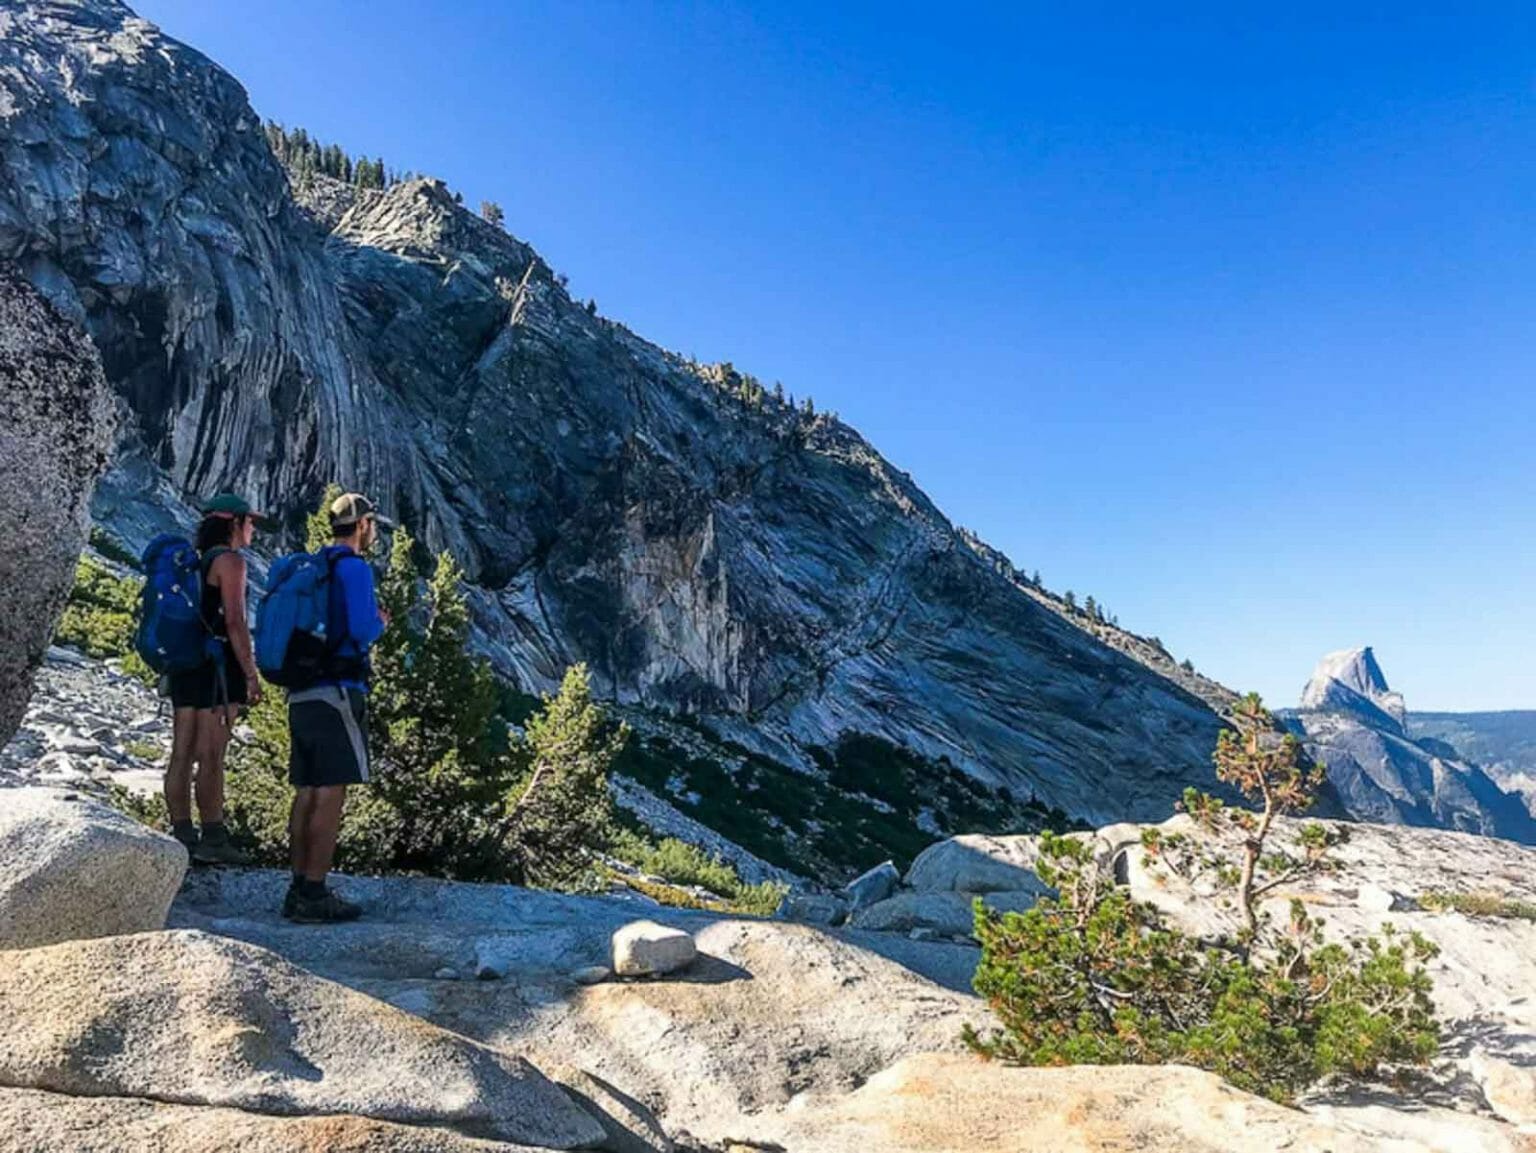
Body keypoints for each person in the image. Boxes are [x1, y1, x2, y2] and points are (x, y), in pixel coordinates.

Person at [284, 491, 393, 923]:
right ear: (363, 525)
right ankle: (315, 891)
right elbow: (364, 628)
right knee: (332, 793)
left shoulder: (313, 566)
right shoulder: (353, 568)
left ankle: (297, 886)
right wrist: (380, 624)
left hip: (301, 692)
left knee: (307, 791)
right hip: (338, 690)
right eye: (372, 524)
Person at [165, 493, 272, 864]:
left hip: (186, 664)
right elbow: (236, 622)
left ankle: (181, 836)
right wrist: (251, 674)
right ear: (234, 523)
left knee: (181, 752)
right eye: (249, 521)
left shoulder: (192, 561)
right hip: (218, 667)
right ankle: (213, 837)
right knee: (212, 754)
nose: (253, 528)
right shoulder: (231, 562)